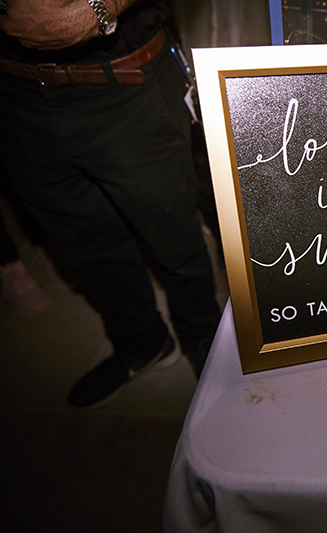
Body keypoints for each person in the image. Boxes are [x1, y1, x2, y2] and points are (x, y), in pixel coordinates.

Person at [0, 0, 221, 408]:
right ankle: (143, 344)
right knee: (86, 244)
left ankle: (203, 338)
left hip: (125, 78)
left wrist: (99, 8)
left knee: (174, 236)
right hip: (12, 91)